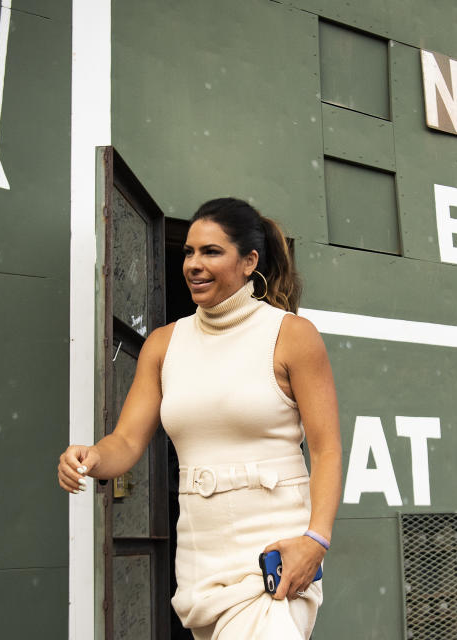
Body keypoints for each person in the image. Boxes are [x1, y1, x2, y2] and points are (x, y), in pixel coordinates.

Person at [58, 198, 342, 640]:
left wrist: (315, 542)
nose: (193, 264)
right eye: (189, 252)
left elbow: (327, 449)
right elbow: (127, 443)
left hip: (275, 550)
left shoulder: (291, 335)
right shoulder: (163, 344)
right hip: (199, 559)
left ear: (250, 261)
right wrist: (91, 456)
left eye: (211, 252)